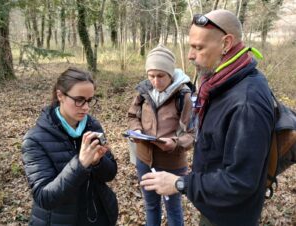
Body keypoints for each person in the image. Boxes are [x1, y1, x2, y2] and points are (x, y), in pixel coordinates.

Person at [140, 9, 275, 226]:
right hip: (215, 205)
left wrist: (181, 183)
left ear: (226, 44)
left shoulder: (246, 101)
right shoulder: (222, 84)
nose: (191, 55)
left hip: (230, 216)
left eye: (198, 47)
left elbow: (241, 181)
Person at [21, 67, 118, 226]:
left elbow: (110, 174)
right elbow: (44, 198)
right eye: (79, 100)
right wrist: (80, 164)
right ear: (60, 95)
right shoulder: (35, 140)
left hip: (98, 215)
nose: (86, 108)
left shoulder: (92, 125)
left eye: (89, 100)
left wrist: (98, 163)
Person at [127, 44, 195, 226]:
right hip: (144, 159)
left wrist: (175, 142)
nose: (155, 81)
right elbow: (133, 115)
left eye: (160, 76)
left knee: (172, 207)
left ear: (170, 73)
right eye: (151, 76)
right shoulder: (143, 92)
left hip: (171, 162)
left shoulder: (183, 96)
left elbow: (192, 133)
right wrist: (138, 130)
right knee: (151, 205)